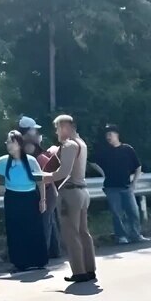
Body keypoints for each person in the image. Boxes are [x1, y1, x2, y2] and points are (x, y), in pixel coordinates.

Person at [0, 130, 49, 272]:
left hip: (30, 197)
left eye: (10, 142)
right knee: (16, 230)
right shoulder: (5, 161)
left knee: (34, 229)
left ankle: (38, 260)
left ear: (18, 143)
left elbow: (40, 181)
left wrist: (42, 199)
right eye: (7, 142)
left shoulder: (31, 161)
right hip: (13, 198)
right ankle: (20, 262)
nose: (8, 145)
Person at [43, 114, 97, 283]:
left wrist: (43, 177)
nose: (57, 132)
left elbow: (63, 172)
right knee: (83, 232)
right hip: (82, 191)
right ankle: (90, 269)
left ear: (66, 127)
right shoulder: (82, 143)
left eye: (58, 128)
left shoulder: (69, 145)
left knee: (70, 233)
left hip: (70, 193)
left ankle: (79, 272)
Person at [92, 124, 148, 244]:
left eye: (110, 134)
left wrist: (134, 183)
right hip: (111, 187)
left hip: (127, 186)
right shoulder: (105, 151)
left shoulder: (127, 149)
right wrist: (103, 173)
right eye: (106, 135)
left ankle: (135, 234)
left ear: (117, 135)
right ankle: (121, 236)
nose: (108, 137)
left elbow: (138, 166)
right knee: (117, 213)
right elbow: (93, 162)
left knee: (133, 212)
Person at [18, 116, 62, 260]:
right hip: (47, 188)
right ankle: (53, 251)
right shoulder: (29, 146)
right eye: (33, 129)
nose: (36, 132)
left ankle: (42, 254)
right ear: (27, 131)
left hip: (44, 188)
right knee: (49, 221)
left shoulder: (28, 147)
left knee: (45, 222)